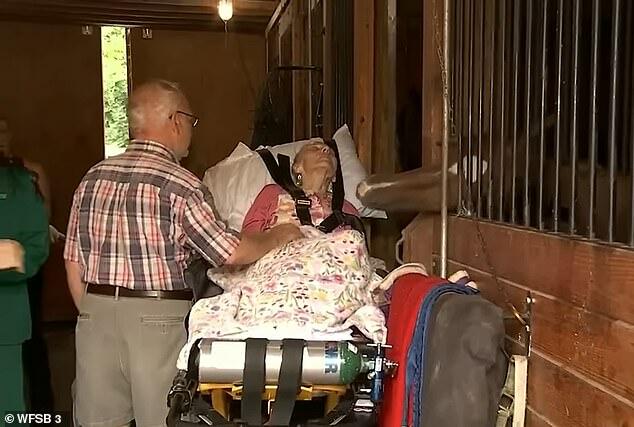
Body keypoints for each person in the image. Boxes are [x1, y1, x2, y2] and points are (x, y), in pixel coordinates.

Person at [64, 79, 303, 427]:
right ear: (176, 120)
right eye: (191, 120)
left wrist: (95, 314)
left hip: (93, 315)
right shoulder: (180, 184)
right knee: (164, 419)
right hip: (156, 321)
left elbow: (73, 261)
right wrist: (277, 236)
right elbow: (229, 252)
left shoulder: (93, 177)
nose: (192, 129)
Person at [0, 119, 55, 411]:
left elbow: (33, 246)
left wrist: (11, 256)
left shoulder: (22, 182)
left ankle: (44, 414)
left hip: (7, 315)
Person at [242, 140, 360, 233]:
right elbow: (249, 238)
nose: (326, 150)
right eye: (315, 148)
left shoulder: (347, 209)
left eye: (332, 154)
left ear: (334, 176)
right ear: (297, 167)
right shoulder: (273, 193)